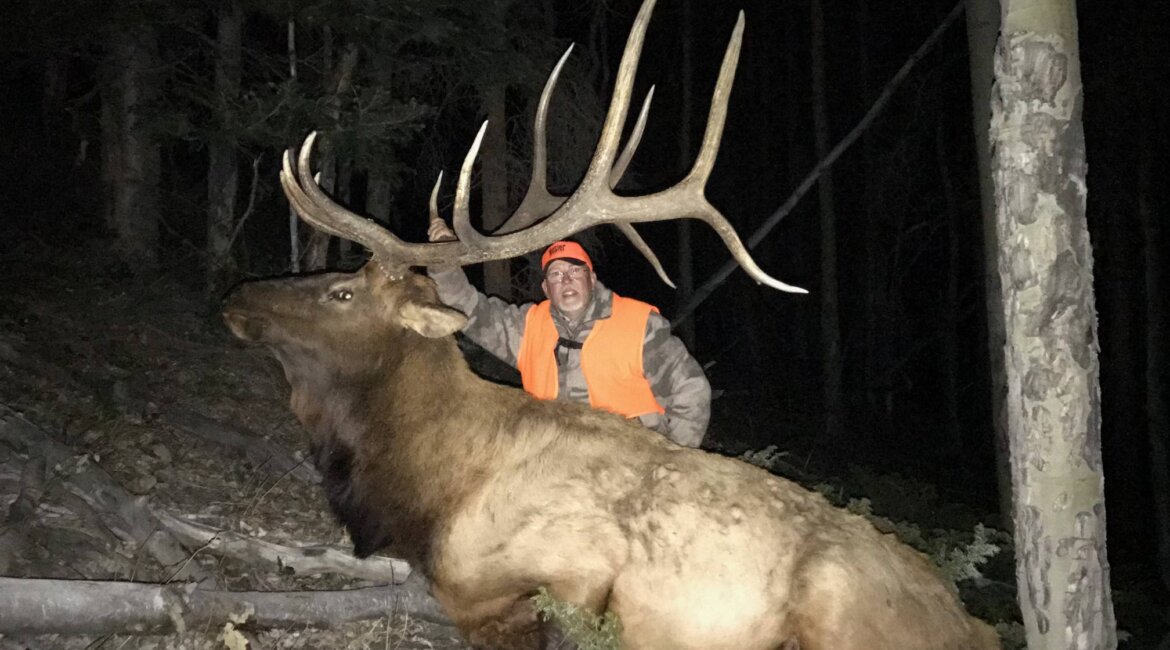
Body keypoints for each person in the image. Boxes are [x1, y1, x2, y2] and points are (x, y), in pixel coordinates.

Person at [426, 224, 712, 448]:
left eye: (575, 270)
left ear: (592, 279)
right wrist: (443, 262)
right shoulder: (527, 329)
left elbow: (691, 390)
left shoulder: (639, 326)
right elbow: (468, 308)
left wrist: (673, 460)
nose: (566, 279)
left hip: (632, 461)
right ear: (546, 289)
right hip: (558, 464)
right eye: (556, 274)